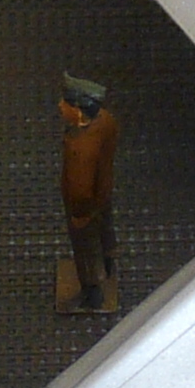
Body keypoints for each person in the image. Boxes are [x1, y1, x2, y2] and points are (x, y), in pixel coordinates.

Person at [59, 73, 118, 313]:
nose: (60, 106)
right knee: (105, 230)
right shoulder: (105, 120)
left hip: (85, 205)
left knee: (84, 249)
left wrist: (79, 214)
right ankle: (109, 262)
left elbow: (79, 188)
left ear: (80, 111)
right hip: (103, 189)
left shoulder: (80, 148)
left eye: (66, 103)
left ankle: (92, 294)